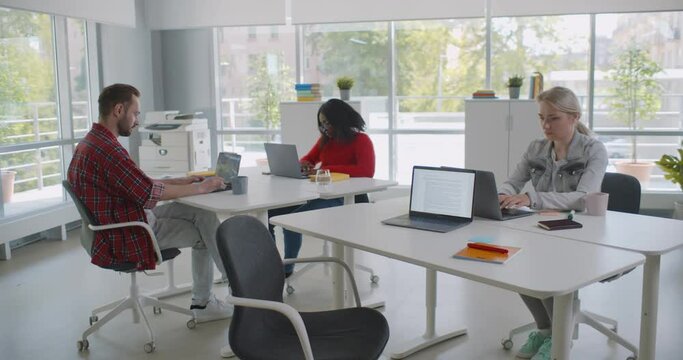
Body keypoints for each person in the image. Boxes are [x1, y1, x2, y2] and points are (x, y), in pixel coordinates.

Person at [67, 83, 232, 323]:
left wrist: (179, 180)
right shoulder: (109, 151)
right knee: (204, 232)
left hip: (118, 223)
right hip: (128, 233)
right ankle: (217, 298)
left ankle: (229, 287)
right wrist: (200, 187)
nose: (136, 121)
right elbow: (147, 193)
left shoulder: (91, 142)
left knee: (203, 214)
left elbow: (133, 182)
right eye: (135, 113)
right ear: (118, 110)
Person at [497, 86, 608, 360]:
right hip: (539, 229)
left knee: (548, 268)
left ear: (574, 117)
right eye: (541, 117)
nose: (545, 125)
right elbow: (514, 180)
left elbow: (583, 198)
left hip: (581, 232)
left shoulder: (594, 150)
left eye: (554, 118)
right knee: (517, 263)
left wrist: (531, 199)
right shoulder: (536, 148)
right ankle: (546, 330)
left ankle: (561, 339)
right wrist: (503, 194)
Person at [268, 99, 375, 277]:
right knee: (271, 214)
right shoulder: (325, 141)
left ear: (339, 120)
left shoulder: (361, 140)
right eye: (321, 123)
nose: (324, 127)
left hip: (346, 200)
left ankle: (286, 269)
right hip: (323, 193)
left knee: (291, 220)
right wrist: (304, 164)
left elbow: (366, 171)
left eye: (327, 122)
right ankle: (272, 265)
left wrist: (327, 169)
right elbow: (309, 158)